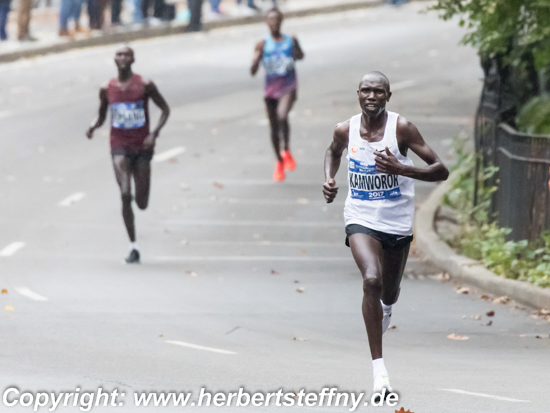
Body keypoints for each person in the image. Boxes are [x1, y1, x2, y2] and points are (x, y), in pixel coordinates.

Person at [322, 71, 449, 398]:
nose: (372, 96)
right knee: (372, 280)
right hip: (361, 216)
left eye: (378, 91)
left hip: (396, 221)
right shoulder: (345, 129)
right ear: (358, 94)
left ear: (388, 96)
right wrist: (329, 179)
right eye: (366, 90)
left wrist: (402, 169)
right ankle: (379, 372)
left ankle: (387, 307)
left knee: (389, 292)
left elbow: (440, 170)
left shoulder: (402, 129)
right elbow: (333, 151)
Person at [86, 46, 170, 263]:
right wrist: (93, 126)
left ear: (133, 59)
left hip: (142, 146)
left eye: (126, 55)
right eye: (119, 55)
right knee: (125, 193)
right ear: (114, 60)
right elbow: (102, 114)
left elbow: (165, 110)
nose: (122, 58)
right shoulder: (107, 88)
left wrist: (154, 134)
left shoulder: (144, 85)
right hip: (119, 145)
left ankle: (137, 204)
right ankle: (133, 246)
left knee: (141, 202)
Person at [250, 8, 304, 181]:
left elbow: (301, 56)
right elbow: (253, 71)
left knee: (282, 116)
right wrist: (257, 58)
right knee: (274, 126)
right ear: (266, 22)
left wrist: (297, 47)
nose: (273, 24)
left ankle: (286, 149)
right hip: (271, 89)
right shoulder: (263, 44)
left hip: (288, 86)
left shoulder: (289, 40)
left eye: (276, 21)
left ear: (281, 22)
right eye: (270, 21)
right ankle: (279, 161)